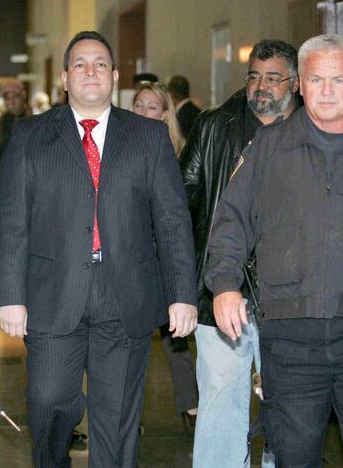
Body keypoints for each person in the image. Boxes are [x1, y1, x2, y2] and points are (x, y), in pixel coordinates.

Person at [207, 34, 343, 467]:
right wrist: (224, 285)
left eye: (338, 80)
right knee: (294, 454)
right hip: (291, 337)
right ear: (301, 86)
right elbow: (230, 222)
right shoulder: (268, 149)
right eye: (317, 80)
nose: (328, 91)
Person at [0, 30, 197, 468]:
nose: (91, 71)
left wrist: (182, 293)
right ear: (65, 77)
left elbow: (173, 220)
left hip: (125, 294)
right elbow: (11, 220)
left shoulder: (147, 137)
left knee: (118, 419)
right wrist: (10, 295)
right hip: (52, 293)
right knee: (49, 402)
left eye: (101, 64)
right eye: (81, 64)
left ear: (115, 76)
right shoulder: (30, 136)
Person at [181, 39, 300, 466]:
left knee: (287, 405)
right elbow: (182, 203)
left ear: (296, 81)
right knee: (219, 400)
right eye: (254, 77)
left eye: (273, 78)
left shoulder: (315, 127)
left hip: (290, 297)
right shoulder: (216, 127)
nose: (261, 87)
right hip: (222, 291)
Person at [131, 81, 198, 427]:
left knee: (176, 340)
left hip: (166, 263)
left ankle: (190, 404)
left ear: (166, 114)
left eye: (151, 107)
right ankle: (129, 416)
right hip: (134, 263)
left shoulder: (181, 156)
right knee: (133, 344)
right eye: (138, 106)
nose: (143, 112)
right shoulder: (121, 151)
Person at [0, 79, 28, 191]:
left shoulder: (38, 123)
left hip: (30, 187)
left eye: (15, 97)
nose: (11, 102)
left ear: (23, 97)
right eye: (7, 98)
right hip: (3, 187)